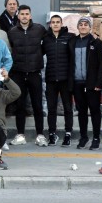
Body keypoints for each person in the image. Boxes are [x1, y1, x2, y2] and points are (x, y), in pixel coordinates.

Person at [7, 5, 47, 147]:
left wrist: (36, 58)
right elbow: (12, 49)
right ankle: (20, 135)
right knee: (20, 105)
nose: (24, 16)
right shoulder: (12, 32)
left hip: (35, 72)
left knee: (37, 105)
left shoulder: (39, 29)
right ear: (18, 16)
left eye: (27, 14)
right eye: (22, 14)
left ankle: (40, 135)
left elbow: (45, 46)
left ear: (30, 15)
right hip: (18, 72)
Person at [68, 17, 102, 149]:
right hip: (77, 83)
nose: (83, 26)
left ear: (90, 27)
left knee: (95, 111)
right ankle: (83, 137)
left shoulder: (97, 43)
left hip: (92, 85)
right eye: (81, 24)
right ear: (78, 27)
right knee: (81, 112)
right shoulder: (72, 41)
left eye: (86, 24)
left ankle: (96, 138)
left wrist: (99, 83)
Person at [42, 15, 75, 146]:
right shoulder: (46, 39)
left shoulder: (69, 37)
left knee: (68, 108)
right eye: (53, 22)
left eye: (57, 22)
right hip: (51, 79)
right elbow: (38, 54)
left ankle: (68, 134)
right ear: (50, 24)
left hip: (65, 79)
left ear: (61, 24)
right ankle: (52, 134)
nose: (55, 24)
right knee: (51, 109)